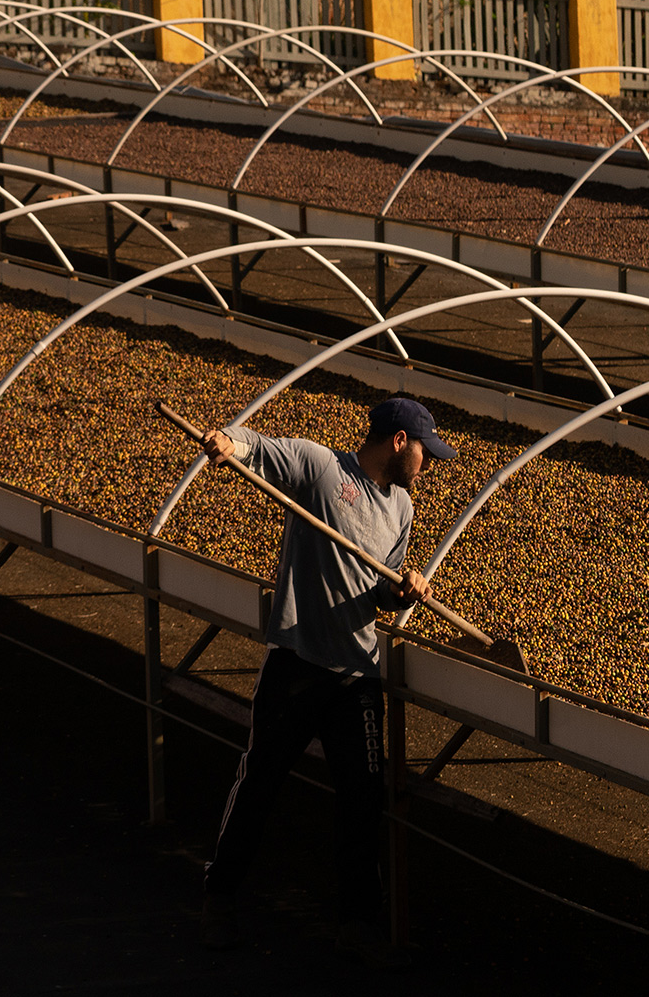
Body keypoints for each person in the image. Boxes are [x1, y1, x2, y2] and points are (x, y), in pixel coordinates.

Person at [195, 395, 453, 955]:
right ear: (399, 441)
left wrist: (403, 587)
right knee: (260, 781)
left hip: (356, 674)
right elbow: (260, 448)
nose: (429, 464)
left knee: (363, 798)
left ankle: (359, 922)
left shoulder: (402, 509)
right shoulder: (321, 468)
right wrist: (227, 443)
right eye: (425, 451)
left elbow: (378, 593)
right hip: (296, 662)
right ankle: (220, 895)